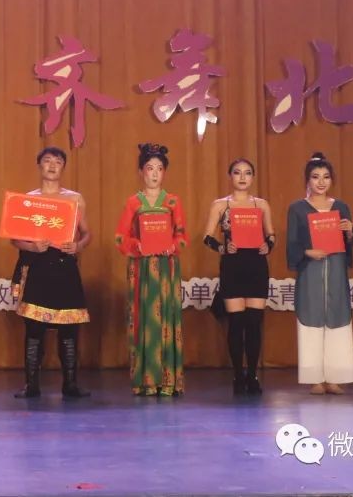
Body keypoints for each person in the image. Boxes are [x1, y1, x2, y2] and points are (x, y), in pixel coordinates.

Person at [11, 147, 92, 399]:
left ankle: (70, 384)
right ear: (39, 166)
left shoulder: (74, 199)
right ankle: (31, 385)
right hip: (37, 266)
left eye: (58, 161)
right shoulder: (28, 200)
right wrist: (32, 247)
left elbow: (87, 233)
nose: (52, 165)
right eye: (47, 161)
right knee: (34, 329)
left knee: (69, 329)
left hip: (65, 266)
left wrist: (78, 246)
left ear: (63, 167)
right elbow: (14, 239)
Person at [114, 143, 187, 396]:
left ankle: (168, 380)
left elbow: (182, 236)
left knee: (167, 316)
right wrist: (138, 246)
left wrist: (173, 246)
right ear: (140, 172)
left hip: (167, 267)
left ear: (164, 172)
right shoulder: (133, 202)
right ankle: (144, 380)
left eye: (159, 168)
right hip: (142, 268)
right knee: (144, 318)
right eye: (149, 168)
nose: (154, 173)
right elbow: (120, 238)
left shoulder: (173, 201)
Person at [202, 158, 275, 395]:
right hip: (232, 265)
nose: (242, 177)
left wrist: (268, 245)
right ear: (230, 176)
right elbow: (207, 237)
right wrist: (222, 248)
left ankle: (252, 374)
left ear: (253, 177)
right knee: (236, 323)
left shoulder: (261, 205)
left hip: (256, 266)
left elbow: (271, 235)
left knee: (254, 323)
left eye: (247, 173)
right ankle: (237, 375)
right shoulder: (220, 205)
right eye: (237, 172)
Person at [286, 152, 353, 394]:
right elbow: (292, 243)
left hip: (335, 269)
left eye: (326, 177)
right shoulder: (297, 208)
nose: (321, 182)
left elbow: (348, 245)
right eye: (315, 177)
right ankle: (315, 378)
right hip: (311, 271)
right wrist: (307, 252)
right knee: (311, 321)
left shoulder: (341, 207)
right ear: (307, 180)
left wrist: (350, 232)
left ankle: (335, 378)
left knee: (338, 320)